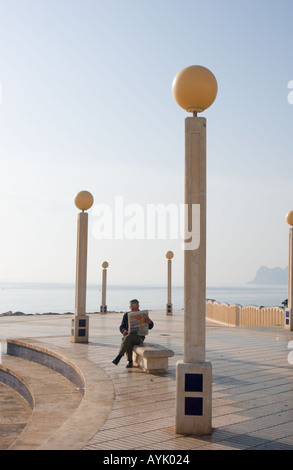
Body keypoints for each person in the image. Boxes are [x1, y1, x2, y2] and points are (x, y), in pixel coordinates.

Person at [112, 299, 154, 368]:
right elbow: (121, 326)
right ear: (130, 307)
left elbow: (151, 326)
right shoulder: (126, 315)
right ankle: (129, 361)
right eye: (132, 307)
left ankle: (120, 357)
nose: (134, 308)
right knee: (128, 338)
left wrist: (149, 322)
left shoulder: (143, 315)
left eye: (136, 307)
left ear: (138, 306)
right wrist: (124, 331)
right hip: (130, 336)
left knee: (127, 338)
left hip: (139, 338)